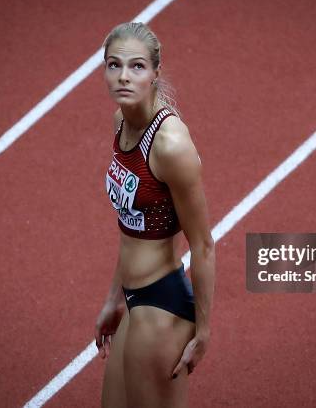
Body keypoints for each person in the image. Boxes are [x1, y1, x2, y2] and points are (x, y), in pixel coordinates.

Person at [94, 21, 216, 408]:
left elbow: (203, 245)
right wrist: (114, 298)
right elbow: (131, 224)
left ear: (155, 73)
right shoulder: (121, 123)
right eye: (114, 65)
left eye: (137, 67)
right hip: (133, 300)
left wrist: (204, 331)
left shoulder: (169, 145)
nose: (124, 76)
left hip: (162, 304)